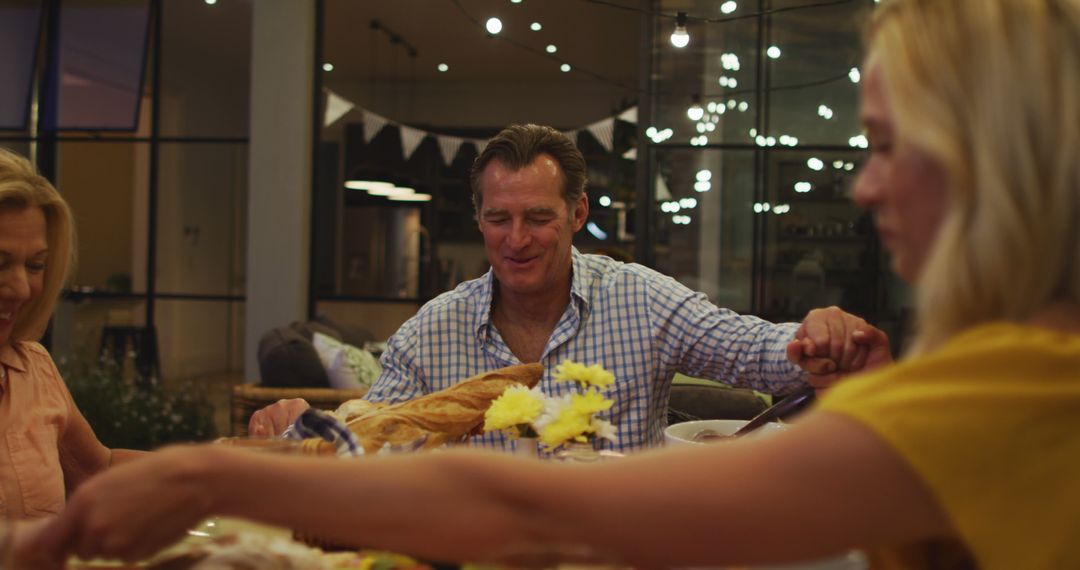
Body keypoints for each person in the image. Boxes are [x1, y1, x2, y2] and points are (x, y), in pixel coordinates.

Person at [17, 0, 1079, 566]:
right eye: (498, 218)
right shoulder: (1004, 380)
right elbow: (382, 441)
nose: (861, 185)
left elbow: (524, 502)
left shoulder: (1017, 398)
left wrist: (213, 481)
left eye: (892, 145)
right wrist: (307, 438)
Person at [249, 124, 890, 450]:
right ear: (479, 221)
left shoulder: (641, 299)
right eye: (499, 219)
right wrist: (296, 428)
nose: (517, 239)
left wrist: (819, 339)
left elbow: (755, 351)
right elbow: (372, 435)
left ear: (578, 215)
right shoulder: (432, 331)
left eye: (539, 218)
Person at [0, 149, 143, 521]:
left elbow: (96, 471)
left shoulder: (32, 366)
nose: (21, 289)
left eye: (35, 266)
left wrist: (228, 467)